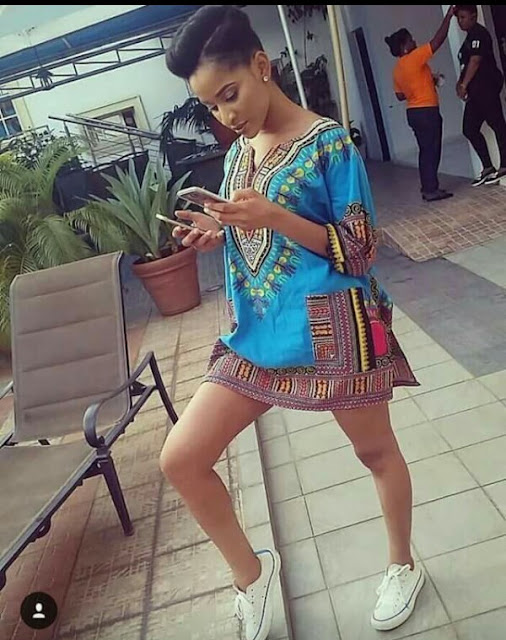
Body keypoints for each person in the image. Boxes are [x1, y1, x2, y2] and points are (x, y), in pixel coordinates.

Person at [161, 6, 421, 639]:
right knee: (181, 459)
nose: (225, 115)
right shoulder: (239, 153)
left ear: (261, 65)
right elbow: (250, 232)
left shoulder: (330, 144)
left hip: (335, 328)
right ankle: (251, 576)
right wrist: (217, 231)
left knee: (375, 452)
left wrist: (273, 216)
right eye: (211, 106)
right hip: (256, 335)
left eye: (230, 95)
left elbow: (359, 250)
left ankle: (403, 565)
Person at [385, 6, 456, 202]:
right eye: (411, 40)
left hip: (413, 113)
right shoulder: (414, 57)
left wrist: (425, 82)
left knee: (425, 150)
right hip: (427, 112)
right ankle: (431, 189)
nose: (414, 41)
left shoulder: (397, 69)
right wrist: (448, 16)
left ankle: (428, 188)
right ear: (404, 46)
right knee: (432, 150)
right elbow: (437, 41)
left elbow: (400, 96)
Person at [455, 4, 506, 186]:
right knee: (469, 128)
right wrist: (460, 84)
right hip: (475, 92)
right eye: (458, 18)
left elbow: (475, 60)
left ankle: (504, 165)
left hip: (486, 87)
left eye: (463, 17)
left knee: (497, 124)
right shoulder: (468, 38)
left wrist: (464, 84)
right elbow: (466, 64)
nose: (460, 21)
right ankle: (487, 167)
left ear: (474, 16)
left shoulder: (479, 33)